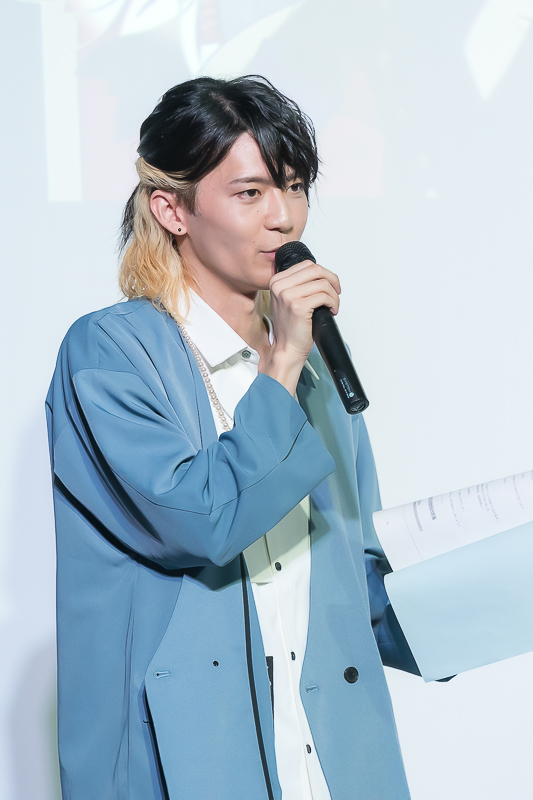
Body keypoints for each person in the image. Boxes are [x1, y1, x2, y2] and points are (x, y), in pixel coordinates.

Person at [46, 75, 420, 800]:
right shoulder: (110, 353)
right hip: (185, 761)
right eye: (251, 192)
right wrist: (281, 364)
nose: (284, 218)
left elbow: (359, 578)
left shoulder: (315, 367)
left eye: (295, 187)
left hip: (327, 763)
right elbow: (201, 519)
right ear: (172, 208)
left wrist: (483, 595)